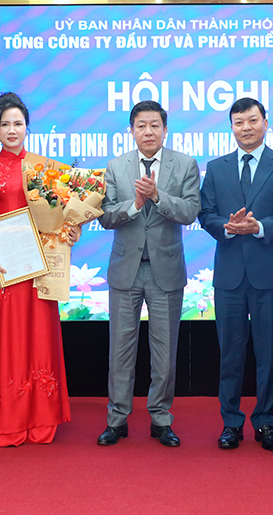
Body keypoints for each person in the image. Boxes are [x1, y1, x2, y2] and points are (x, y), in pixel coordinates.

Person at [198, 97, 273, 451]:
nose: (246, 127)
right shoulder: (217, 167)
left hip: (269, 274)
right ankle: (231, 423)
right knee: (230, 354)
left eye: (252, 120)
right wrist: (226, 227)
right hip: (229, 275)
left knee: (268, 355)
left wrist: (259, 227)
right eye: (239, 122)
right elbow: (206, 213)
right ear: (231, 127)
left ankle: (266, 423)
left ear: (265, 123)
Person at [97, 100, 200, 447]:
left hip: (165, 271)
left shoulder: (184, 165)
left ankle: (161, 418)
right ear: (131, 130)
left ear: (165, 130)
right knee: (119, 351)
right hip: (125, 270)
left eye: (155, 125)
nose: (148, 132)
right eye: (141, 125)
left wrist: (157, 197)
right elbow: (105, 216)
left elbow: (190, 211)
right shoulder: (116, 166)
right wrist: (134, 205)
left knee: (164, 352)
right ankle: (117, 420)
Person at [0, 92, 75, 447]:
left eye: (18, 123)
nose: (12, 130)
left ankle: (41, 421)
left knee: (40, 340)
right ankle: (8, 423)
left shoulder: (44, 169)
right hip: (4, 269)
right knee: (8, 343)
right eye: (5, 124)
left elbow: (60, 216)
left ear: (27, 127)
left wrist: (70, 229)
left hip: (40, 268)